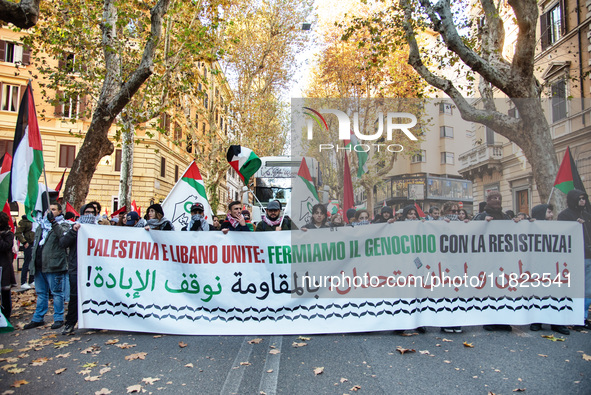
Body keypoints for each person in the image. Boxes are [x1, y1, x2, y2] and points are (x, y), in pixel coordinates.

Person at [24, 202, 71, 330]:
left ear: (60, 212)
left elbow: (63, 236)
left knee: (57, 293)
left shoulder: (64, 224)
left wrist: (53, 223)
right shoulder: (41, 226)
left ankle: (58, 318)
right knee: (41, 293)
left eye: (54, 209)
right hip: (39, 265)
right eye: (49, 210)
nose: (51, 212)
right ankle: (38, 318)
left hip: (54, 265)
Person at [473, 191, 514, 331]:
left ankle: (503, 320)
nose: (497, 200)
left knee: (504, 289)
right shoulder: (480, 217)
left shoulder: (505, 217)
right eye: (494, 198)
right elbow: (472, 233)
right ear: (488, 200)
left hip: (503, 259)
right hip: (487, 259)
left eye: (499, 198)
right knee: (489, 289)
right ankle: (489, 319)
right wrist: (484, 224)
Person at [528, 204, 570, 335]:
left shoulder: (557, 227)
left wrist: (579, 225)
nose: (552, 215)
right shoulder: (530, 227)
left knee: (556, 293)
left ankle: (557, 323)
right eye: (549, 212)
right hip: (538, 266)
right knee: (538, 293)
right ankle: (537, 321)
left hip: (554, 266)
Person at [57, 203, 97, 335]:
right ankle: (70, 323)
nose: (89, 215)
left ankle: (95, 322)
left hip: (95, 268)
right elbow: (63, 243)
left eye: (92, 212)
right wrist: (74, 231)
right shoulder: (74, 227)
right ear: (82, 213)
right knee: (75, 296)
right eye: (87, 212)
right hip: (77, 268)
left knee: (95, 295)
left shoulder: (100, 228)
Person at [558, 189, 591, 330]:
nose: (582, 201)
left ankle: (583, 317)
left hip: (588, 256)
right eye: (580, 198)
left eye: (584, 198)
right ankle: (572, 317)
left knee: (588, 290)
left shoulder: (588, 215)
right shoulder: (564, 215)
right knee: (574, 288)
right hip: (574, 257)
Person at [0, 212, 15, 321]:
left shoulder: (8, 234)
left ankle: (6, 315)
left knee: (5, 292)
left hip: (4, 266)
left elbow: (5, 246)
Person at [15, 215, 35, 289]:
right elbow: (18, 233)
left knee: (33, 262)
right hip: (28, 244)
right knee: (27, 262)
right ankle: (23, 282)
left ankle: (31, 280)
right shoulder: (25, 222)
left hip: (35, 243)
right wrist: (24, 242)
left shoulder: (36, 219)